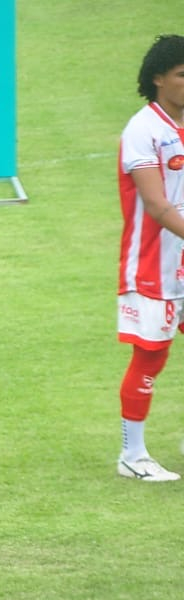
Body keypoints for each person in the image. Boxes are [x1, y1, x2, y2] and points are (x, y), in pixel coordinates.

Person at [115, 34, 184, 482]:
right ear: (159, 78)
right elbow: (157, 206)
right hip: (152, 267)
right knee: (150, 358)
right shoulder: (143, 130)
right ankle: (132, 455)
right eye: (182, 75)